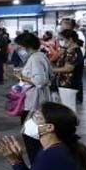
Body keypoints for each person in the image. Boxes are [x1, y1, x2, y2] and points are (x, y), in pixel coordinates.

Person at [12, 32, 53, 163]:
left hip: (34, 103)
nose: (18, 49)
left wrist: (21, 77)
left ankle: (37, 166)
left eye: (19, 46)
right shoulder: (40, 56)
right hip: (38, 101)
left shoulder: (35, 58)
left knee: (31, 137)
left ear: (26, 46)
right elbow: (49, 76)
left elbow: (40, 81)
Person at [54, 30, 84, 113]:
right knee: (67, 108)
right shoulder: (69, 50)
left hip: (69, 84)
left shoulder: (73, 52)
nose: (60, 41)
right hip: (66, 84)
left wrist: (50, 70)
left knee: (69, 109)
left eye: (62, 39)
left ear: (70, 39)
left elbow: (68, 68)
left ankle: (70, 124)